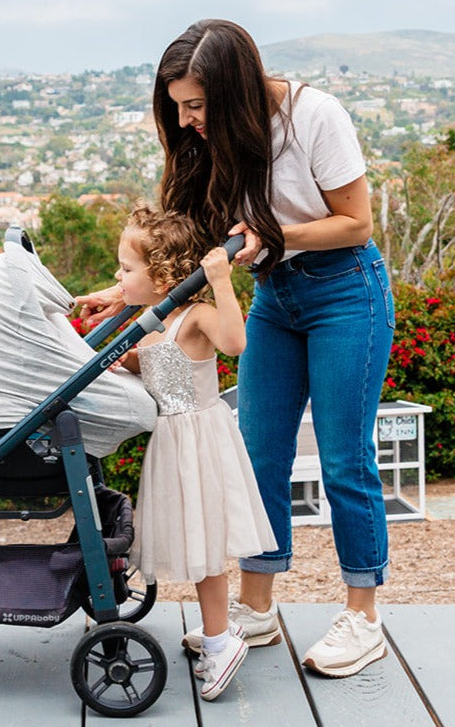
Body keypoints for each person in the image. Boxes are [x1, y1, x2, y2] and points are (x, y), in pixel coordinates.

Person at [80, 18, 395, 678]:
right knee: (258, 458)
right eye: (179, 108)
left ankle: (363, 616)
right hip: (277, 296)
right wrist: (125, 293)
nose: (189, 120)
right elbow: (181, 241)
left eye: (196, 105)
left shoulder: (315, 117)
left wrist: (273, 234)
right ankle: (256, 608)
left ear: (233, 87)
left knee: (343, 458)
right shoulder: (214, 139)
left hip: (346, 292)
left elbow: (356, 222)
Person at [111, 207, 277, 701]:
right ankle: (216, 632)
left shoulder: (195, 315)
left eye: (125, 269)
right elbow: (163, 372)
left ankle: (222, 642)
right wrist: (133, 363)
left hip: (200, 440)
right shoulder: (152, 321)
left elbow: (236, 342)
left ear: (162, 274)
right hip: (172, 443)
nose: (119, 277)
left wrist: (222, 281)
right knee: (195, 543)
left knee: (205, 547)